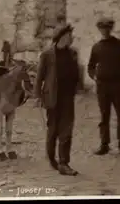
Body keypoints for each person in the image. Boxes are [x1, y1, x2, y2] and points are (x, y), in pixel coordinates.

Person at [34, 23, 80, 176]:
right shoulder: (47, 54)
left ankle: (63, 163)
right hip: (52, 97)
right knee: (52, 130)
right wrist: (37, 96)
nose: (72, 38)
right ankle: (51, 158)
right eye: (69, 36)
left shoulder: (73, 53)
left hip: (68, 97)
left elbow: (76, 73)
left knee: (66, 130)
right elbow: (39, 77)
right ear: (62, 37)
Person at [87, 17, 120, 156]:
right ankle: (104, 144)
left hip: (118, 84)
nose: (105, 31)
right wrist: (94, 76)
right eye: (102, 29)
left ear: (111, 29)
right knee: (104, 115)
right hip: (102, 86)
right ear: (99, 30)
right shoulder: (96, 47)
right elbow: (90, 66)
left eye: (107, 28)